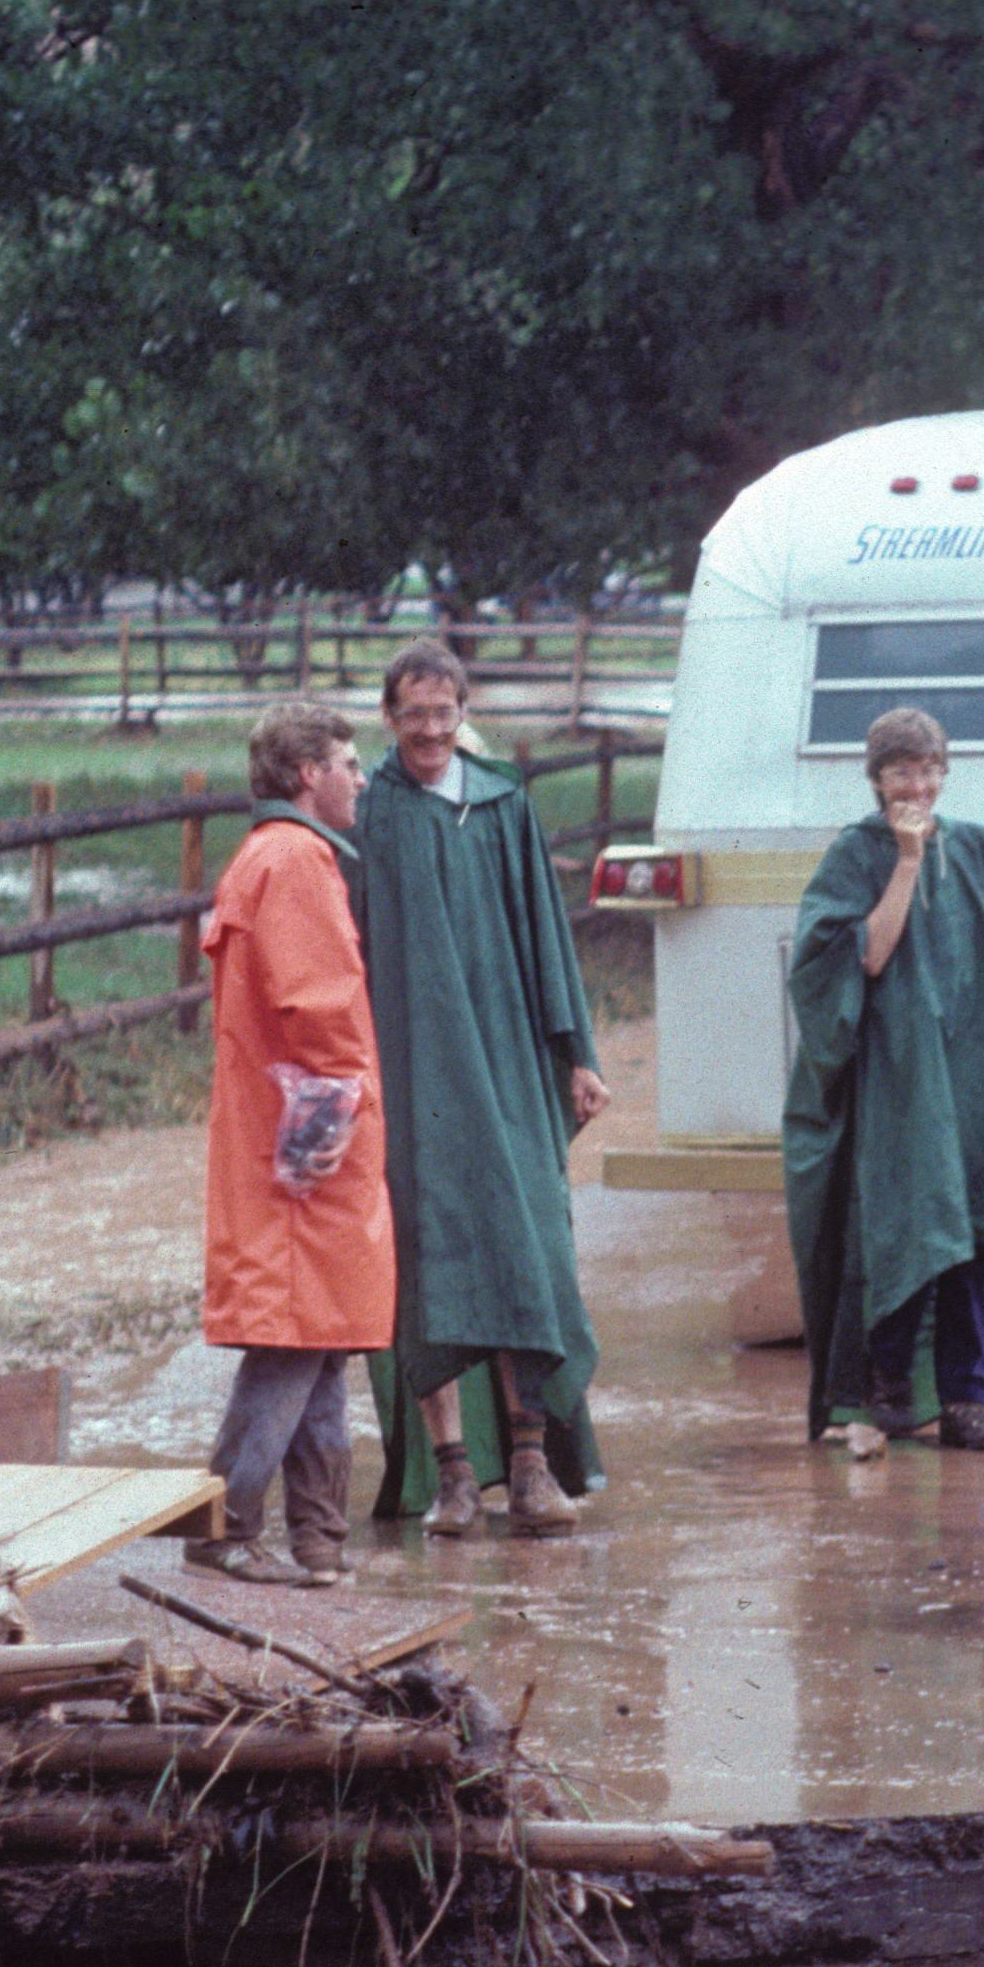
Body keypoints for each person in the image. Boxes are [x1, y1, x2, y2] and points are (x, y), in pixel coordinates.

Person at [784, 701, 984, 1458]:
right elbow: (857, 959)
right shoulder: (854, 856)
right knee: (901, 1222)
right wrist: (905, 861)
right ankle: (890, 1387)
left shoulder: (980, 849)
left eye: (931, 770)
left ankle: (967, 1401)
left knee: (980, 1234)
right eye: (903, 770)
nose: (919, 785)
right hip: (896, 1080)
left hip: (975, 1078)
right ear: (875, 777)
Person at [350, 636, 610, 1536]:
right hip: (413, 1067)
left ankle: (534, 1466)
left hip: (504, 1061)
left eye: (443, 711)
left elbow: (546, 936)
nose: (428, 729)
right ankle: (455, 1474)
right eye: (412, 713)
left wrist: (578, 1054)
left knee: (525, 1245)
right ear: (390, 718)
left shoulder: (502, 807)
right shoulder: (370, 814)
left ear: (466, 714)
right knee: (428, 1263)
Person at [188, 703, 384, 1586]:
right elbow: (323, 1013)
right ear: (308, 773)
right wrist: (331, 1131)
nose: (359, 778)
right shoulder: (299, 860)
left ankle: (318, 1543)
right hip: (307, 1146)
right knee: (297, 1334)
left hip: (279, 1133)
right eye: (348, 762)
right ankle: (226, 1526)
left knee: (318, 1331)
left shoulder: (261, 857)